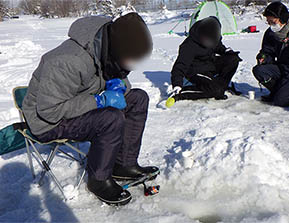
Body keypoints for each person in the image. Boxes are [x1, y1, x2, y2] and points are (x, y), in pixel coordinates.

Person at [22, 13, 158, 206]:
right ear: (118, 50)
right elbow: (49, 110)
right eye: (129, 60)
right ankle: (99, 180)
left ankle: (123, 164)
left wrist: (118, 86)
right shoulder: (68, 61)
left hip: (73, 104)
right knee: (110, 118)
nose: (131, 66)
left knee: (138, 98)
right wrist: (100, 100)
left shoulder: (106, 47)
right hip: (46, 121)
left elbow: (120, 79)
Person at [167, 16, 242, 108]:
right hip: (195, 71)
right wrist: (177, 84)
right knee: (215, 90)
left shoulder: (213, 36)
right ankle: (182, 93)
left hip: (209, 65)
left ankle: (221, 86)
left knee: (233, 59)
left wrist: (226, 51)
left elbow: (218, 47)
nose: (210, 43)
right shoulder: (189, 45)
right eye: (208, 41)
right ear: (202, 35)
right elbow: (180, 66)